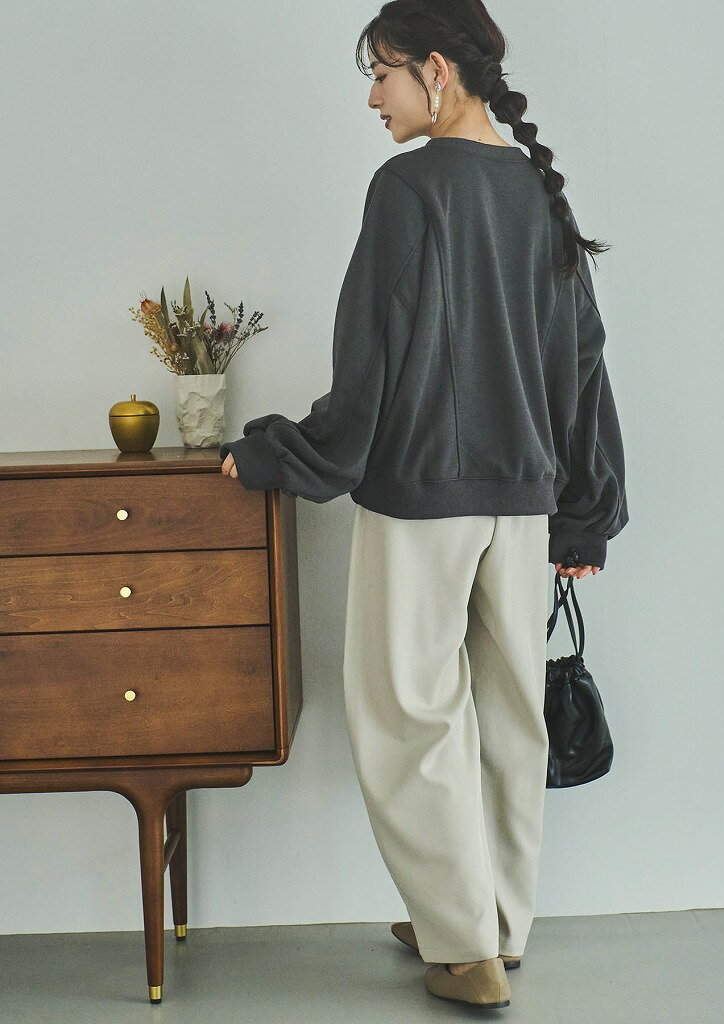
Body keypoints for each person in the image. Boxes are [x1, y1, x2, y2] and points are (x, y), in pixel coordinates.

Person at [220, 0, 628, 1010]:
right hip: (521, 503)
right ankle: (492, 922)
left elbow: (369, 364)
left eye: (383, 73)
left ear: (437, 71)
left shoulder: (408, 187)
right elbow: (581, 363)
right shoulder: (537, 190)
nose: (373, 97)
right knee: (509, 719)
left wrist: (278, 455)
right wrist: (583, 511)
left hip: (421, 499)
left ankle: (460, 943)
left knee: (409, 714)